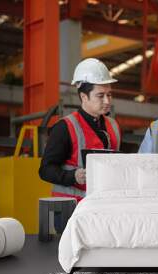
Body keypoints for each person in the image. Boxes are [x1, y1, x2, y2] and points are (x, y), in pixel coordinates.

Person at [39, 58, 121, 202]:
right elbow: (45, 170)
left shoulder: (113, 126)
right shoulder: (65, 127)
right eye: (100, 96)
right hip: (70, 209)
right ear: (84, 96)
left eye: (109, 94)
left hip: (102, 206)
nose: (107, 101)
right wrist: (73, 176)